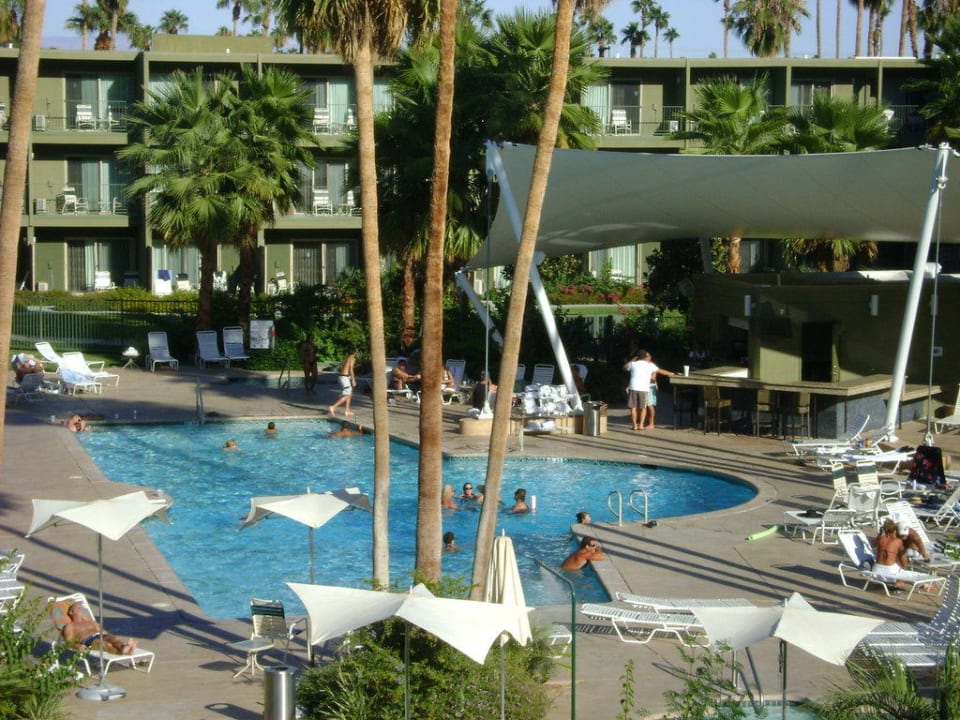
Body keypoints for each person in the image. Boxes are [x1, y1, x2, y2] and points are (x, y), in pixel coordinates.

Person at [61, 602, 138, 655]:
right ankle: (124, 651)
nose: (80, 609)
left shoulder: (90, 622)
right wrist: (77, 646)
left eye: (80, 607)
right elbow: (68, 642)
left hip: (100, 634)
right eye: (77, 608)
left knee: (114, 639)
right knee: (104, 644)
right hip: (89, 641)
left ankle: (123, 647)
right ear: (71, 612)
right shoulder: (69, 626)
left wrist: (110, 637)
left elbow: (103, 631)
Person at [624, 349, 658, 431]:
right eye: (647, 355)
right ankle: (641, 424)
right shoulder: (647, 365)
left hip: (647, 387)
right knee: (642, 407)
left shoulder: (648, 365)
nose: (649, 357)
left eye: (649, 356)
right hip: (643, 388)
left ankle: (642, 424)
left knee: (644, 406)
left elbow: (653, 377)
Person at [644, 352, 678, 430]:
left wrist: (671, 374)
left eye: (648, 356)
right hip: (645, 386)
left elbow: (658, 373)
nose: (647, 357)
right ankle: (646, 422)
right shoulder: (642, 364)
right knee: (645, 405)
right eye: (645, 356)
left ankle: (651, 423)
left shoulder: (651, 365)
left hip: (650, 386)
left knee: (650, 405)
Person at [873, 519, 908, 588]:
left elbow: (873, 544)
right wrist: (904, 570)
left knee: (895, 565)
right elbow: (903, 558)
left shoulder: (880, 538)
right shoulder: (898, 541)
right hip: (889, 572)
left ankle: (896, 581)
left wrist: (880, 533)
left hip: (876, 571)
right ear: (895, 530)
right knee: (905, 573)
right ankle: (899, 583)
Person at [329, 348, 358, 417]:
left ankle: (347, 411)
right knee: (347, 395)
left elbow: (341, 367)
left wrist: (349, 377)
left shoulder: (346, 358)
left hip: (342, 377)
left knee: (349, 394)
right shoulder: (352, 358)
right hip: (344, 378)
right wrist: (353, 380)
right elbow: (351, 369)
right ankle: (333, 407)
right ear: (354, 353)